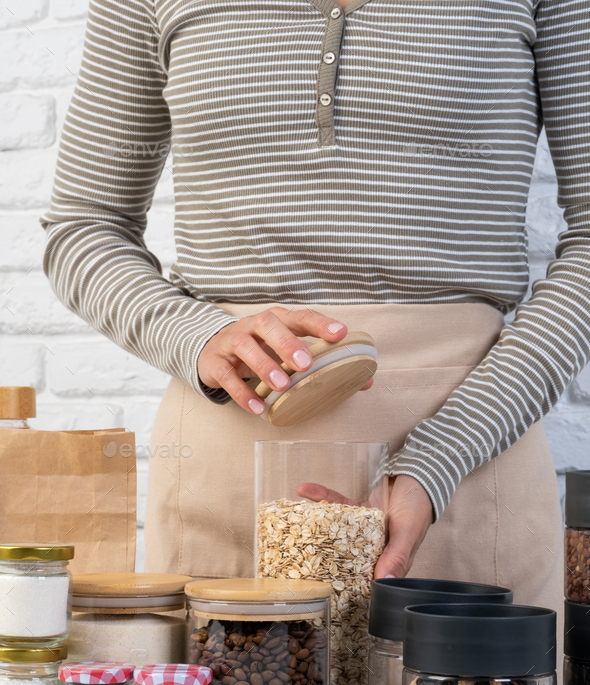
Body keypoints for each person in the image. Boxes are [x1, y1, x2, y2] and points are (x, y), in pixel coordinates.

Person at [42, 0, 589, 622]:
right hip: (231, 448)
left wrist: (437, 460)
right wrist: (198, 334)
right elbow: (85, 227)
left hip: (474, 441)